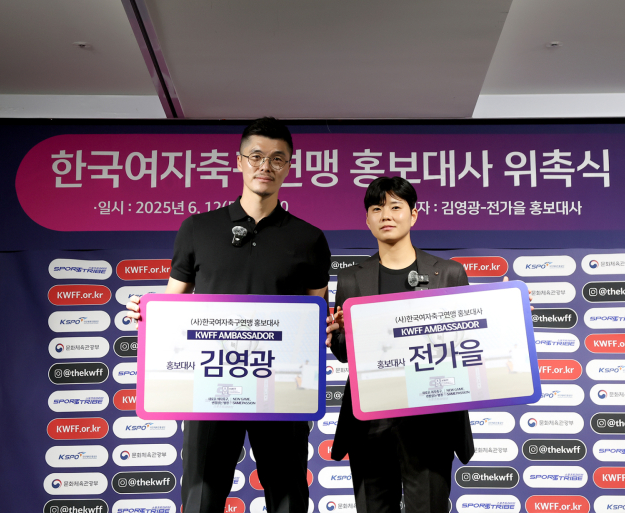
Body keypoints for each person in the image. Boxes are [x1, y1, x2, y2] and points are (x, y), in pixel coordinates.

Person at [127, 117, 331, 513]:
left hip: (281, 388)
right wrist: (147, 313)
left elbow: (315, 318)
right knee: (202, 499)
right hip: (210, 387)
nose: (265, 166)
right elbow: (172, 306)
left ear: (289, 166)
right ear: (239, 161)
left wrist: (328, 329)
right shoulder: (197, 229)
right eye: (256, 156)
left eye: (277, 158)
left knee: (288, 498)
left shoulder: (309, 239)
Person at [324, 176, 474, 513]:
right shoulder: (351, 277)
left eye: (395, 206)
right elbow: (347, 354)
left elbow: (467, 341)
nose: (386, 215)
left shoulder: (449, 274)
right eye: (377, 209)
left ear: (413, 214)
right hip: (369, 418)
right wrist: (338, 335)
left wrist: (507, 311)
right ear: (367, 219)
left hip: (431, 417)